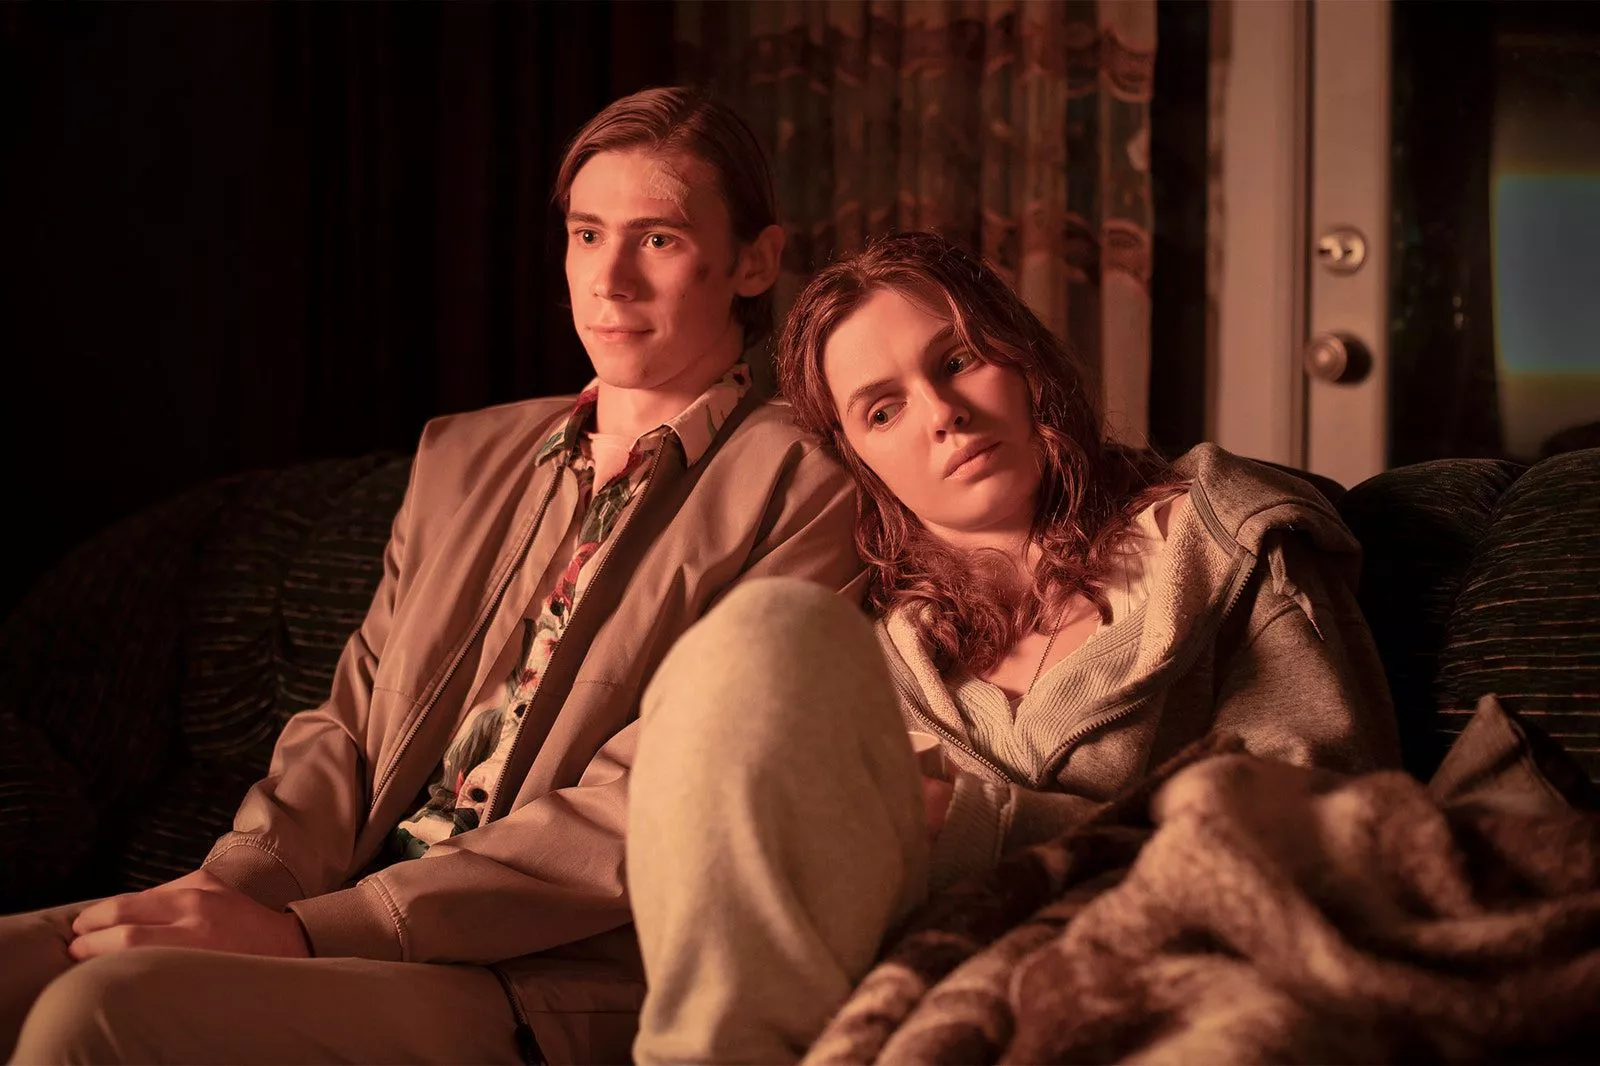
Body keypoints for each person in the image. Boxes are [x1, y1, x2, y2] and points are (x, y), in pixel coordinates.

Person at [0, 87, 861, 1065]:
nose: (609, 279)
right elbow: (347, 722)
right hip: (330, 907)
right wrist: (238, 888)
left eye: (657, 239)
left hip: (544, 976)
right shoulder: (461, 455)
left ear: (755, 261)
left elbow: (659, 803)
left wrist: (313, 933)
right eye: (587, 234)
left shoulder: (806, 484)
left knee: (102, 1009)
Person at [624, 229, 1403, 1063]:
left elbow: (1329, 841)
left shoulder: (1219, 538)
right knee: (761, 630)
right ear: (859, 461)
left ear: (1023, 356)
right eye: (883, 410)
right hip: (905, 1005)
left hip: (1173, 991)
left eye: (958, 360)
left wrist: (979, 827)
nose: (942, 415)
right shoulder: (874, 654)